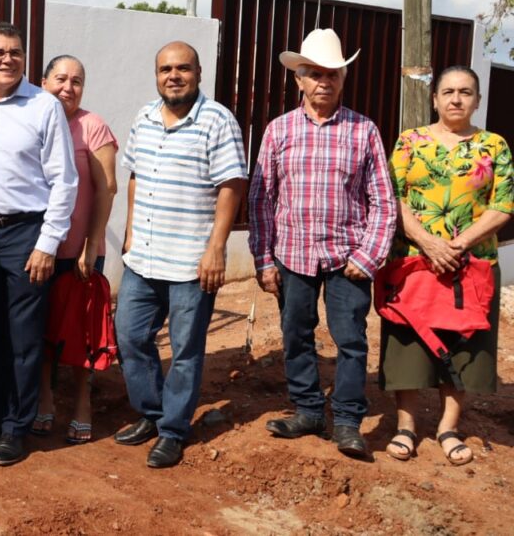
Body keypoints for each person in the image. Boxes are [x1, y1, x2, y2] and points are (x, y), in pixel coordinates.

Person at [248, 28, 397, 459]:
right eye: (314, 74)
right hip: (292, 256)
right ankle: (309, 410)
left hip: (347, 257)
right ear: (299, 79)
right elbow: (261, 199)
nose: (323, 82)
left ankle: (348, 421)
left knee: (350, 339)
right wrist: (263, 260)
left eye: (333, 74)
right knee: (296, 334)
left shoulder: (364, 131)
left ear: (343, 78)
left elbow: (383, 202)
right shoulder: (278, 131)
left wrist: (368, 257)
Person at [114, 42, 247, 468]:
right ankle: (152, 414)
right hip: (144, 257)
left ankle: (172, 430)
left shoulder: (217, 120)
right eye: (165, 69)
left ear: (198, 72)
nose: (174, 75)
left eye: (182, 68)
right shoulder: (145, 116)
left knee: (186, 350)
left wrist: (216, 248)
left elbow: (231, 185)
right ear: (156, 75)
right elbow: (134, 176)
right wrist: (131, 229)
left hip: (192, 260)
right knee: (131, 337)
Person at [0, 22, 78, 466]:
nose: (8, 59)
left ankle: (15, 427)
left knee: (24, 337)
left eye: (16, 52)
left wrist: (47, 243)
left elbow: (65, 180)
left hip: (26, 234)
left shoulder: (44, 106)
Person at [380, 66, 512, 465]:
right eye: (448, 92)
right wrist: (427, 241)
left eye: (466, 92)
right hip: (414, 262)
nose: (456, 99)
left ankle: (448, 427)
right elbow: (392, 196)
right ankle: (406, 426)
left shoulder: (494, 146)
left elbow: (503, 204)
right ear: (434, 98)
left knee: (464, 344)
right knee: (408, 343)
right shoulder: (410, 142)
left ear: (477, 100)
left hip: (472, 265)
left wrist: (457, 245)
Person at [33, 55, 118, 444]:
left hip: (80, 250)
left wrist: (91, 243)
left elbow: (107, 188)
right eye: (60, 79)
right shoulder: (31, 118)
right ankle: (45, 399)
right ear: (43, 81)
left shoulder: (93, 127)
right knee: (42, 328)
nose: (68, 87)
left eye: (77, 81)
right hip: (36, 248)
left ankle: (82, 403)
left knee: (82, 331)